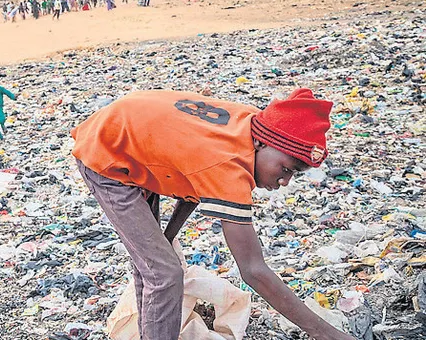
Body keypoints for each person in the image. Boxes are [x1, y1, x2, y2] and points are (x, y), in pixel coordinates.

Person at [71, 89, 355, 340]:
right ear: (262, 144)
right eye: (285, 169)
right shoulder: (228, 164)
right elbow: (253, 271)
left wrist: (165, 238)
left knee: (157, 264)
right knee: (165, 272)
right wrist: (325, 333)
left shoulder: (253, 127)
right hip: (107, 151)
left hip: (138, 136)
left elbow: (194, 185)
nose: (285, 182)